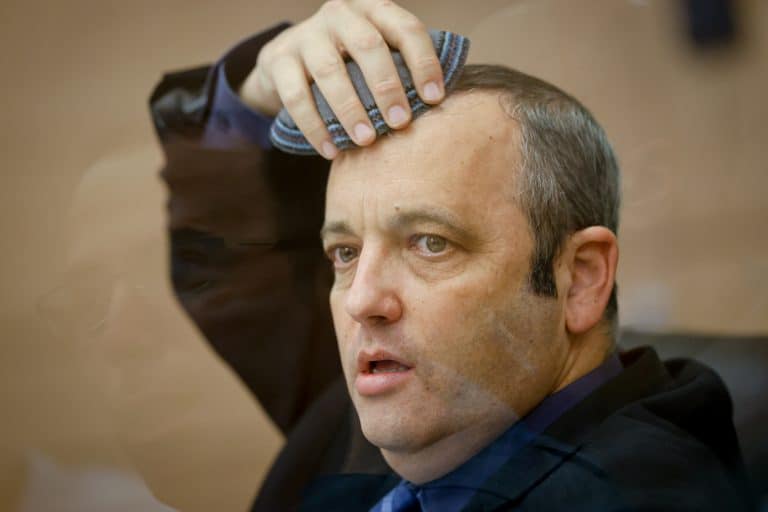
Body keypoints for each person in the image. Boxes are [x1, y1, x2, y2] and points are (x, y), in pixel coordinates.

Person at [150, 1, 756, 510]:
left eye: (430, 243)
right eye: (344, 252)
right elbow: (233, 266)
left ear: (579, 279)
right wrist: (253, 98)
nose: (361, 300)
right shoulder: (426, 411)